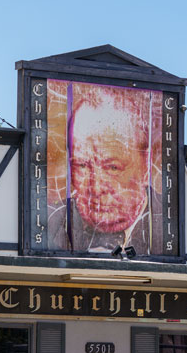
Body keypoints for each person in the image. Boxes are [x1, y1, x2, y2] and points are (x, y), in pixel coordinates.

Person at [46, 80, 163, 254]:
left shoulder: (169, 222)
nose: (96, 188)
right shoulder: (48, 222)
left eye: (113, 168)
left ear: (145, 167)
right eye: (82, 165)